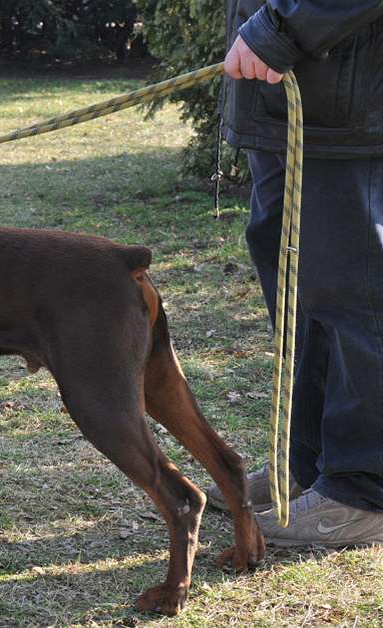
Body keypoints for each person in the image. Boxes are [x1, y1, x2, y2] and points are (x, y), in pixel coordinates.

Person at [206, 0, 383, 546]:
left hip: (347, 100)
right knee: (298, 293)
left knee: (354, 293)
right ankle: (311, 466)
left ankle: (364, 489)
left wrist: (279, 30)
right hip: (286, 97)